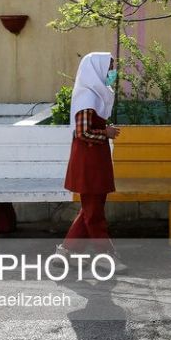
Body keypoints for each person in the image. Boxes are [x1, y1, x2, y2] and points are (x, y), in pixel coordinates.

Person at [55, 52, 125, 269]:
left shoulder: (94, 95)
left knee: (91, 208)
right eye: (109, 68)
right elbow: (83, 132)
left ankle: (65, 251)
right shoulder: (88, 98)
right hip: (88, 160)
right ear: (96, 70)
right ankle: (106, 256)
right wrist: (106, 132)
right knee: (94, 211)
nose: (112, 73)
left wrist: (104, 132)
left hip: (95, 158)